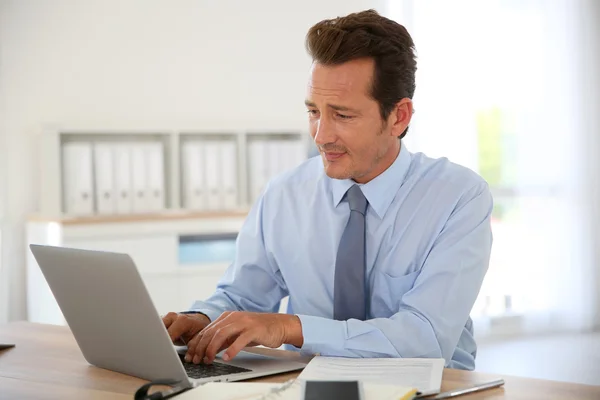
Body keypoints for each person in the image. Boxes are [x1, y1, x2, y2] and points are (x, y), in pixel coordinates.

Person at [163, 9, 493, 371]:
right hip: (307, 387)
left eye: (343, 115)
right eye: (313, 112)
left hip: (433, 389)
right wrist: (204, 318)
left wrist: (290, 327)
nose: (321, 136)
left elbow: (425, 338)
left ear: (398, 117)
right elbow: (242, 295)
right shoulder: (284, 194)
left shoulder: (458, 198)